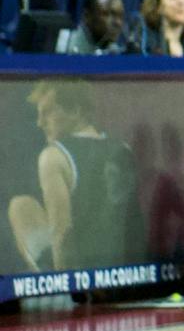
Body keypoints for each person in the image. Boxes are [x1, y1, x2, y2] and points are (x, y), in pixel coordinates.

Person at [8, 81, 147, 272]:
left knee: (21, 206)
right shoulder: (124, 149)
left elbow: (62, 233)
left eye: (47, 112)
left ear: (75, 110)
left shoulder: (53, 156)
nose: (40, 123)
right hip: (125, 273)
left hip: (81, 277)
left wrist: (67, 287)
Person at [56, 0, 131, 55]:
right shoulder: (61, 46)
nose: (117, 22)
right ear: (87, 16)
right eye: (107, 14)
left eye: (120, 15)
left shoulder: (114, 53)